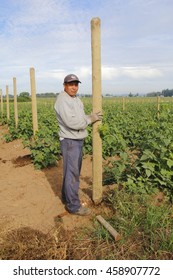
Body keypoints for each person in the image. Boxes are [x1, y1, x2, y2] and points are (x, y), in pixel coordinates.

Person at [54, 74, 102, 216]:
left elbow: (80, 118)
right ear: (65, 85)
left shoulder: (75, 99)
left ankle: (66, 198)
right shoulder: (63, 100)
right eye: (71, 84)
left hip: (76, 140)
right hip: (70, 141)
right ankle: (73, 206)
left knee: (71, 172)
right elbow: (72, 123)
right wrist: (90, 119)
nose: (74, 87)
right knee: (73, 173)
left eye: (76, 84)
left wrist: (89, 117)